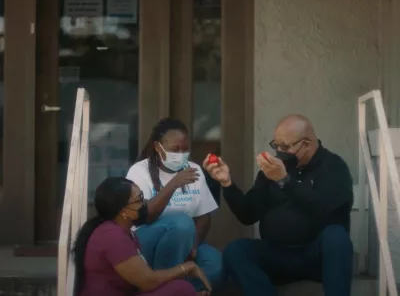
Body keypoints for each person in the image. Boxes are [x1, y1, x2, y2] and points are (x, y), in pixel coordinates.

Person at [203, 114, 354, 296]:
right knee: (236, 250)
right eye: (276, 145)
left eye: (285, 147)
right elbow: (247, 214)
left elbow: (324, 209)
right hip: (278, 255)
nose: (279, 152)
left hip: (316, 257)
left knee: (337, 236)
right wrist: (227, 184)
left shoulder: (333, 167)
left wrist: (284, 181)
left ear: (306, 144)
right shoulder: (273, 169)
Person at [126, 118, 222, 294]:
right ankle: (165, 289)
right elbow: (143, 216)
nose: (181, 154)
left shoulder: (193, 169)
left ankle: (180, 290)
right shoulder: (139, 171)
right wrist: (173, 185)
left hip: (184, 243)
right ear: (157, 146)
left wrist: (193, 245)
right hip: (144, 243)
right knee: (181, 223)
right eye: (175, 149)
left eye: (185, 149)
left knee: (213, 262)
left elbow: (203, 216)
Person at [72, 177, 211, 296]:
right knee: (182, 289)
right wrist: (185, 268)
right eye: (139, 200)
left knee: (182, 289)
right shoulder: (112, 236)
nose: (144, 203)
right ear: (123, 210)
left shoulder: (124, 231)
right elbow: (147, 281)